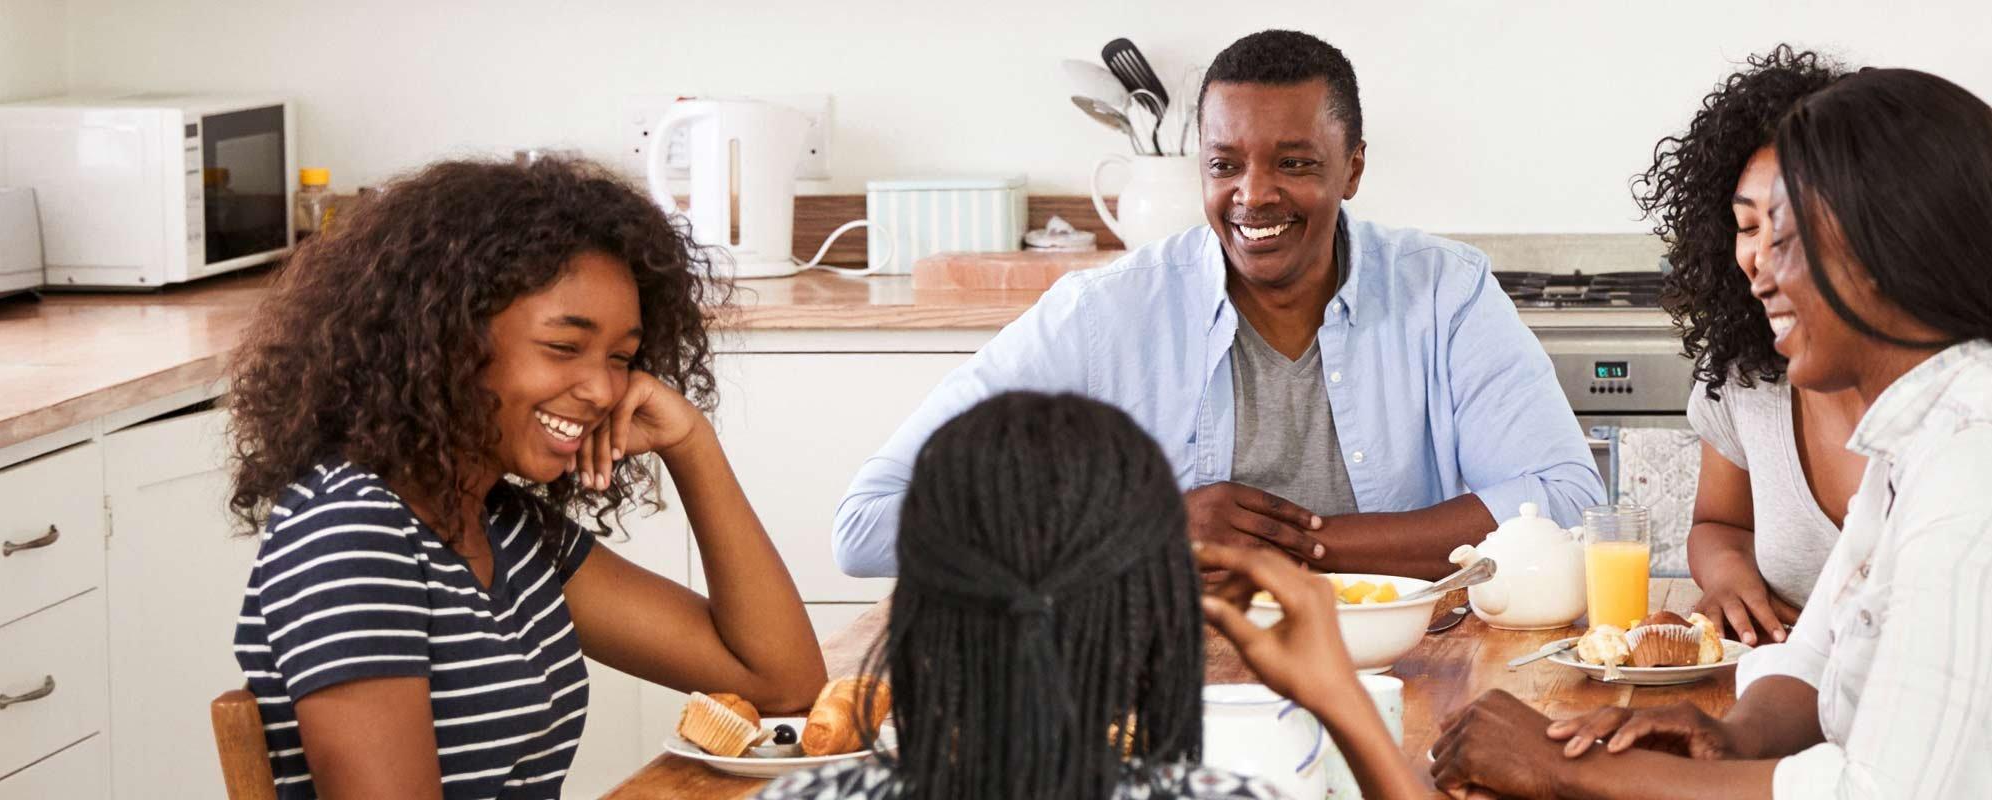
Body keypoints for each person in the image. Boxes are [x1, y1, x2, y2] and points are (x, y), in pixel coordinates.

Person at [1428, 68, 1992, 799]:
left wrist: (1569, 773)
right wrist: (1725, 736)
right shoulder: (1915, 438)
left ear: (1885, 253)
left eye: (1786, 237)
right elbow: (1814, 661)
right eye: (1753, 233)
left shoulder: (1984, 456)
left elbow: (1876, 791)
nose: (1759, 271)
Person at [834, 29, 1597, 582]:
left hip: (1409, 671)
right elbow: (867, 523)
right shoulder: (1104, 314)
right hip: (1163, 679)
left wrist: (1305, 545)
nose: (1253, 195)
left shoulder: (1447, 293)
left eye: (1294, 164)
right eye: (1224, 165)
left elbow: (1565, 503)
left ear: (1352, 169)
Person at [224, 154, 828, 800]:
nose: (601, 389)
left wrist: (691, 444)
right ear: (446, 336)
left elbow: (781, 682)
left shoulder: (503, 526)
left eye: (622, 358)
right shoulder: (352, 537)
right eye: (564, 347)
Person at [755, 392, 1435, 800]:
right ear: (1155, 627)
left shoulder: (814, 793)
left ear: (912, 613)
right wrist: (1340, 698)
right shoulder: (1215, 797)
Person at [1637, 46, 1860, 645]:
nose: (1759, 256)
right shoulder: (1746, 371)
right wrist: (1731, 578)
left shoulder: (1951, 408)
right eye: (1746, 226)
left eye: (1789, 224)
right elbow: (1719, 523)